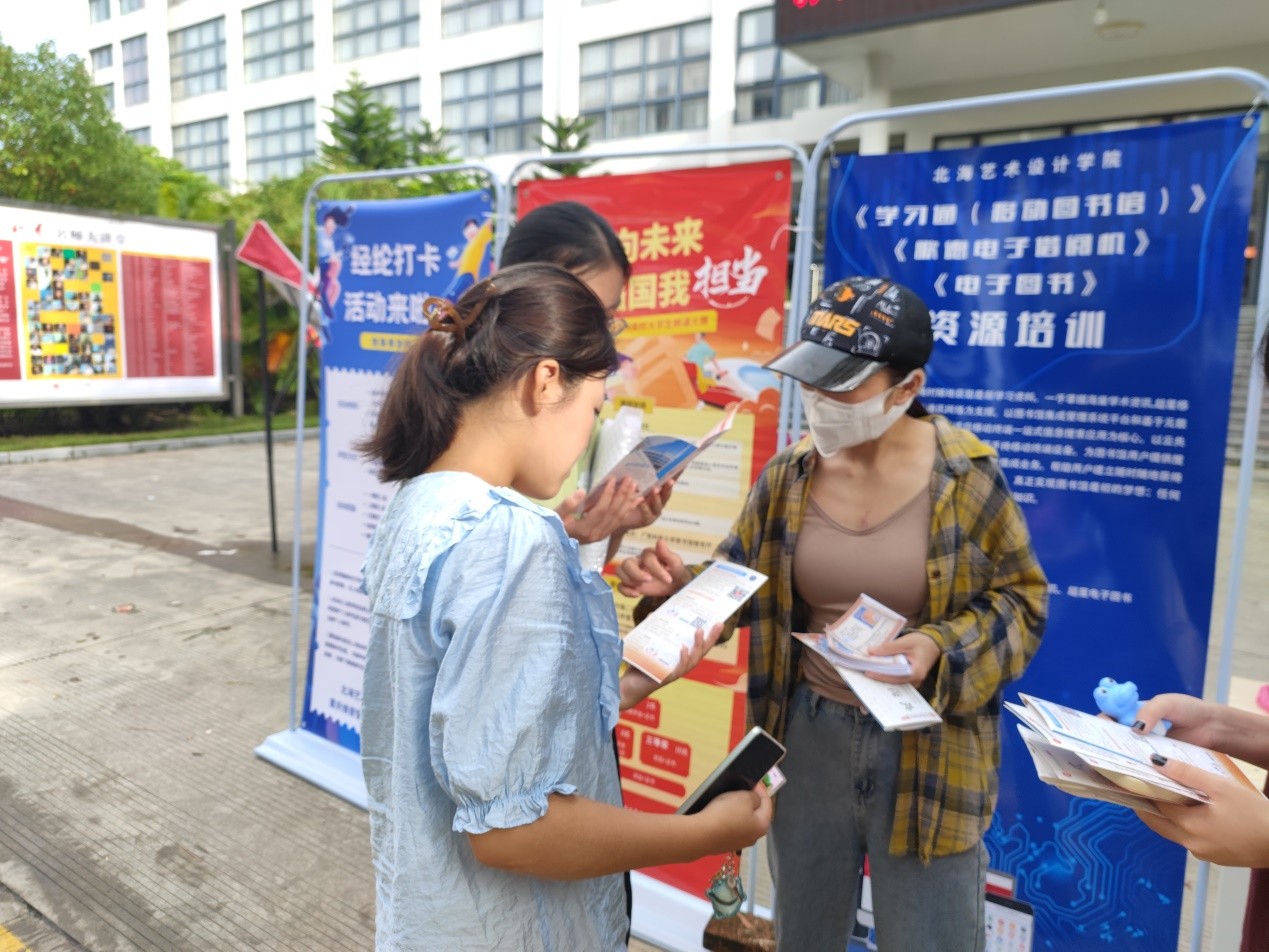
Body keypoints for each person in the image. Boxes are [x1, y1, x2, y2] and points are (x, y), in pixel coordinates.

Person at [617, 276, 1049, 952]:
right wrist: (678, 588)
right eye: (811, 378)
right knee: (805, 931)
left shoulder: (966, 478)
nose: (818, 398)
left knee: (931, 936)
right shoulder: (791, 476)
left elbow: (1023, 601)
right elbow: (739, 578)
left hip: (928, 750)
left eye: (840, 384)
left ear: (906, 387)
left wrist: (938, 648)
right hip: (807, 734)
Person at [356, 263, 772, 951]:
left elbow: (479, 728)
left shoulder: (418, 505)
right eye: (595, 408)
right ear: (546, 381)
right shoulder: (511, 536)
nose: (589, 435)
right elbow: (515, 830)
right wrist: (703, 833)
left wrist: (639, 677)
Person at [501, 200, 672, 563]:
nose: (598, 338)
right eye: (583, 313)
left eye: (607, 317)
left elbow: (582, 563)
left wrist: (612, 524)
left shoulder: (581, 392)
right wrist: (551, 540)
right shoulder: (475, 407)